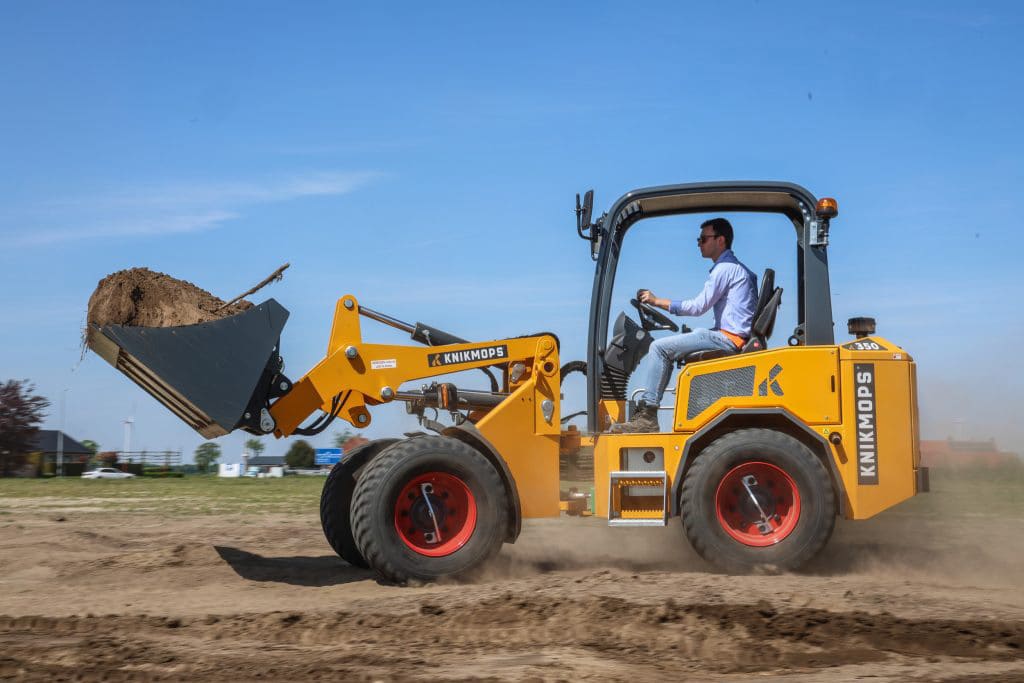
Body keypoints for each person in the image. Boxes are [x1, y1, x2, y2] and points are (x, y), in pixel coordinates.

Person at [613, 217, 758, 433]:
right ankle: (647, 413)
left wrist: (655, 301)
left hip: (728, 338)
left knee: (659, 348)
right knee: (673, 346)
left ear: (721, 240)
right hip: (729, 335)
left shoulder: (725, 269)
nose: (699, 243)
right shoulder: (736, 269)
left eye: (703, 238)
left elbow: (698, 307)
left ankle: (647, 416)